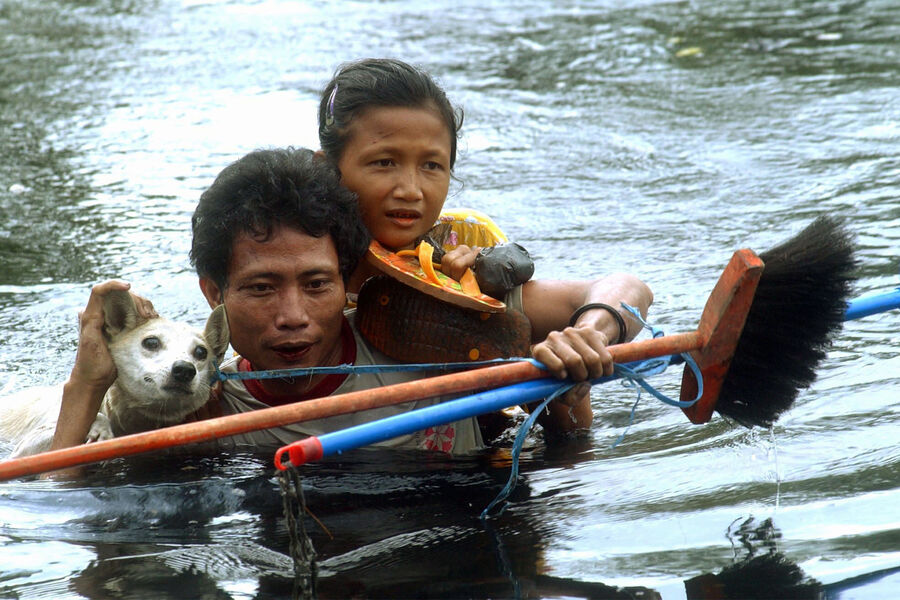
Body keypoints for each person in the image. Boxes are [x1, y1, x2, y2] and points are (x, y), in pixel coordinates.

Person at [48, 147, 617, 458]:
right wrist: (88, 382)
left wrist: (588, 336)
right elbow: (59, 505)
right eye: (261, 288)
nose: (292, 315)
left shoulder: (426, 331)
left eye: (317, 285)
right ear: (214, 295)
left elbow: (625, 289)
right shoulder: (201, 405)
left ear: (347, 283)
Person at [316, 58, 654, 426]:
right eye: (384, 162)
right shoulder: (299, 259)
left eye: (432, 166)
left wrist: (585, 337)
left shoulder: (464, 250)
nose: (411, 190)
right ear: (327, 171)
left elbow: (629, 289)